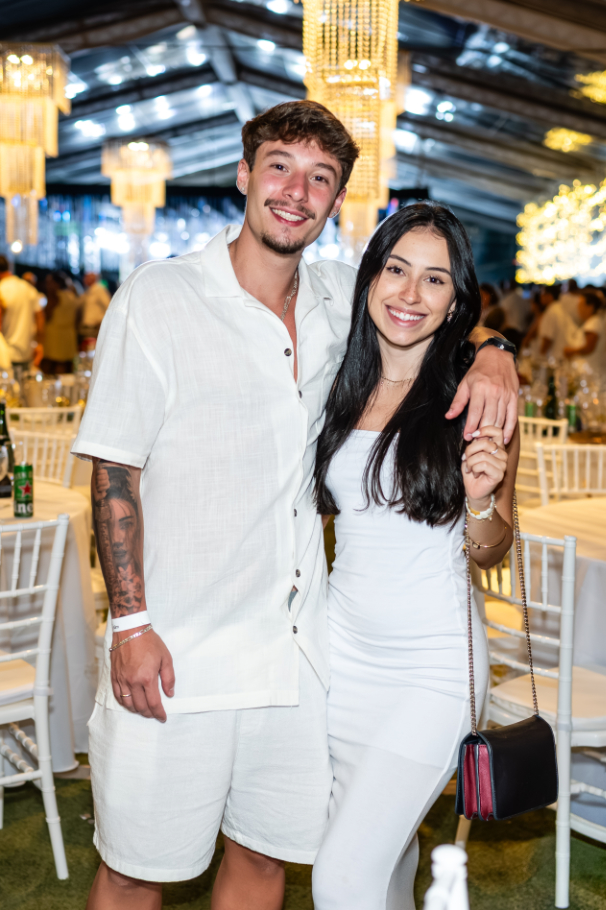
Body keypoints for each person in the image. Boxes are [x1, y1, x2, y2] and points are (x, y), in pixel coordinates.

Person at [72, 100, 518, 910]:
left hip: (298, 658)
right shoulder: (160, 297)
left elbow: (435, 307)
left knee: (266, 858)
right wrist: (131, 625)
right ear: (245, 174)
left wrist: (496, 353)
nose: (295, 191)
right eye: (279, 166)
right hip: (179, 649)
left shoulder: (340, 300)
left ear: (337, 200)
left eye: (319, 178)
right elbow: (114, 470)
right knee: (137, 866)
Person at [311, 203, 519, 910]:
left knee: (341, 879)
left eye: (434, 279)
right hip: (341, 659)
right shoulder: (338, 379)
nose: (409, 293)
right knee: (385, 861)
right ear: (370, 276)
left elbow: (490, 551)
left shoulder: (476, 397)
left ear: (456, 300)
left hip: (432, 669)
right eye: (396, 270)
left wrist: (481, 500)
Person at [0, 255, 44, 375]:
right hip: (26, 352)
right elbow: (40, 319)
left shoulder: (1, 290)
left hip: (4, 355)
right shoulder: (28, 288)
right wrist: (39, 345)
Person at [40, 270, 79, 374]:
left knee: (53, 365)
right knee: (66, 365)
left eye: (49, 282)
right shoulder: (72, 295)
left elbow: (47, 315)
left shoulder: (55, 296)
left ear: (56, 283)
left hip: (55, 336)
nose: (47, 285)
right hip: (69, 334)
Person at [563, 290, 606, 378]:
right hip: (587, 371)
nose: (578, 308)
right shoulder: (593, 321)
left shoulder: (593, 323)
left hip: (588, 372)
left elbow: (589, 347)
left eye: (580, 304)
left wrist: (571, 351)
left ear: (590, 307)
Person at [539, 281, 583, 361]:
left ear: (549, 296)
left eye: (543, 294)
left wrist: (541, 356)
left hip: (558, 356)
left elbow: (547, 338)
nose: (541, 296)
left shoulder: (551, 311)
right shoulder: (559, 308)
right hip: (564, 353)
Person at [78, 272, 111, 347]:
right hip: (86, 328)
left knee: (91, 349)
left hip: (94, 327)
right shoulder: (87, 291)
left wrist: (101, 321)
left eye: (86, 277)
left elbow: (108, 306)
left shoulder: (100, 290)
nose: (84, 279)